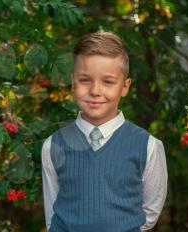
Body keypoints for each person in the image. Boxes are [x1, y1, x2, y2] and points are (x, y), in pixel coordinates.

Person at [41, 31, 168, 232]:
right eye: (85, 80)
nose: (95, 91)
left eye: (108, 82)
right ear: (73, 81)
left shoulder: (148, 146)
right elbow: (52, 212)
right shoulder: (53, 145)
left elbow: (149, 213)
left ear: (125, 87)